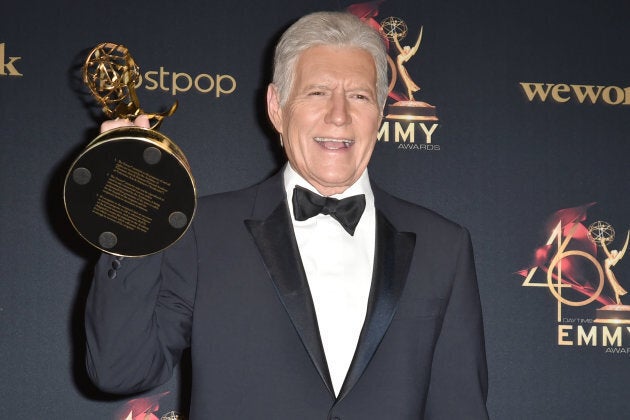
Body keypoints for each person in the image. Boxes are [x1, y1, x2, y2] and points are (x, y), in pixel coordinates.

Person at [85, 11, 489, 419]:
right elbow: (121, 372)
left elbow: (461, 408)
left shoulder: (443, 247)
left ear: (382, 110)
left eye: (360, 96)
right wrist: (131, 223)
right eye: (317, 93)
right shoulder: (202, 232)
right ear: (277, 107)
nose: (339, 115)